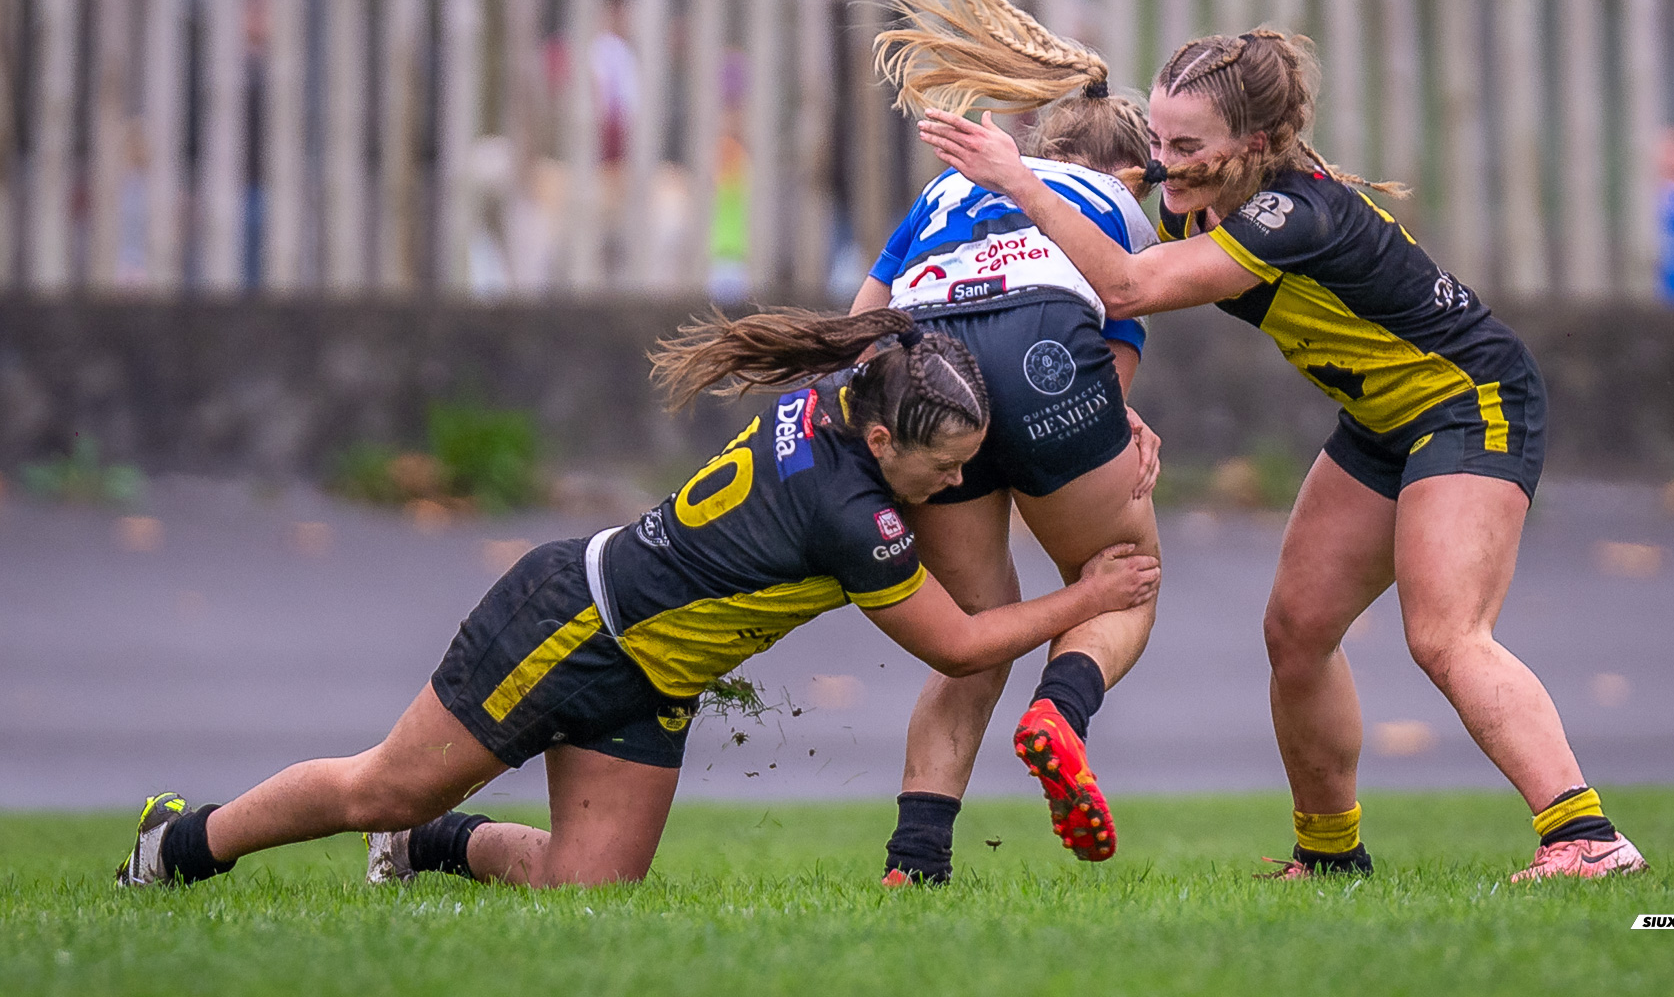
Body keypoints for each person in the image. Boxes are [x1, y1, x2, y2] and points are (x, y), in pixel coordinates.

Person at [918, 29, 1647, 883]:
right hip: (1380, 421)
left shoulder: (1292, 212)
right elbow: (1100, 286)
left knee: (1445, 633)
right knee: (1297, 632)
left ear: (1255, 145)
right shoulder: (1198, 197)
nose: (1165, 164)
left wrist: (1014, 179)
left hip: (1470, 401)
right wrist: (1113, 401)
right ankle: (1332, 857)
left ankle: (1586, 837)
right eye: (1157, 140)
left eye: (1188, 147)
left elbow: (1126, 286)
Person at [116, 309, 1159, 891]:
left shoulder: (855, 389)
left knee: (589, 893)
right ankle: (179, 843)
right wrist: (1093, 593)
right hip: (574, 627)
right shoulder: (855, 514)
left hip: (652, 677)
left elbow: (937, 350)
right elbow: (966, 644)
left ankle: (433, 848)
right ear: (885, 442)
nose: (953, 490)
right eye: (945, 471)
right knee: (382, 786)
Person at [852, 0, 1163, 884]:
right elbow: (1114, 325)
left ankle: (915, 859)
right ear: (1128, 169)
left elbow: (863, 323)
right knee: (1122, 568)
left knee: (976, 635)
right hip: (1043, 351)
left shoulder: (944, 195)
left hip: (926, 364)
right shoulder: (1114, 205)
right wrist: (1121, 421)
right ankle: (1059, 711)